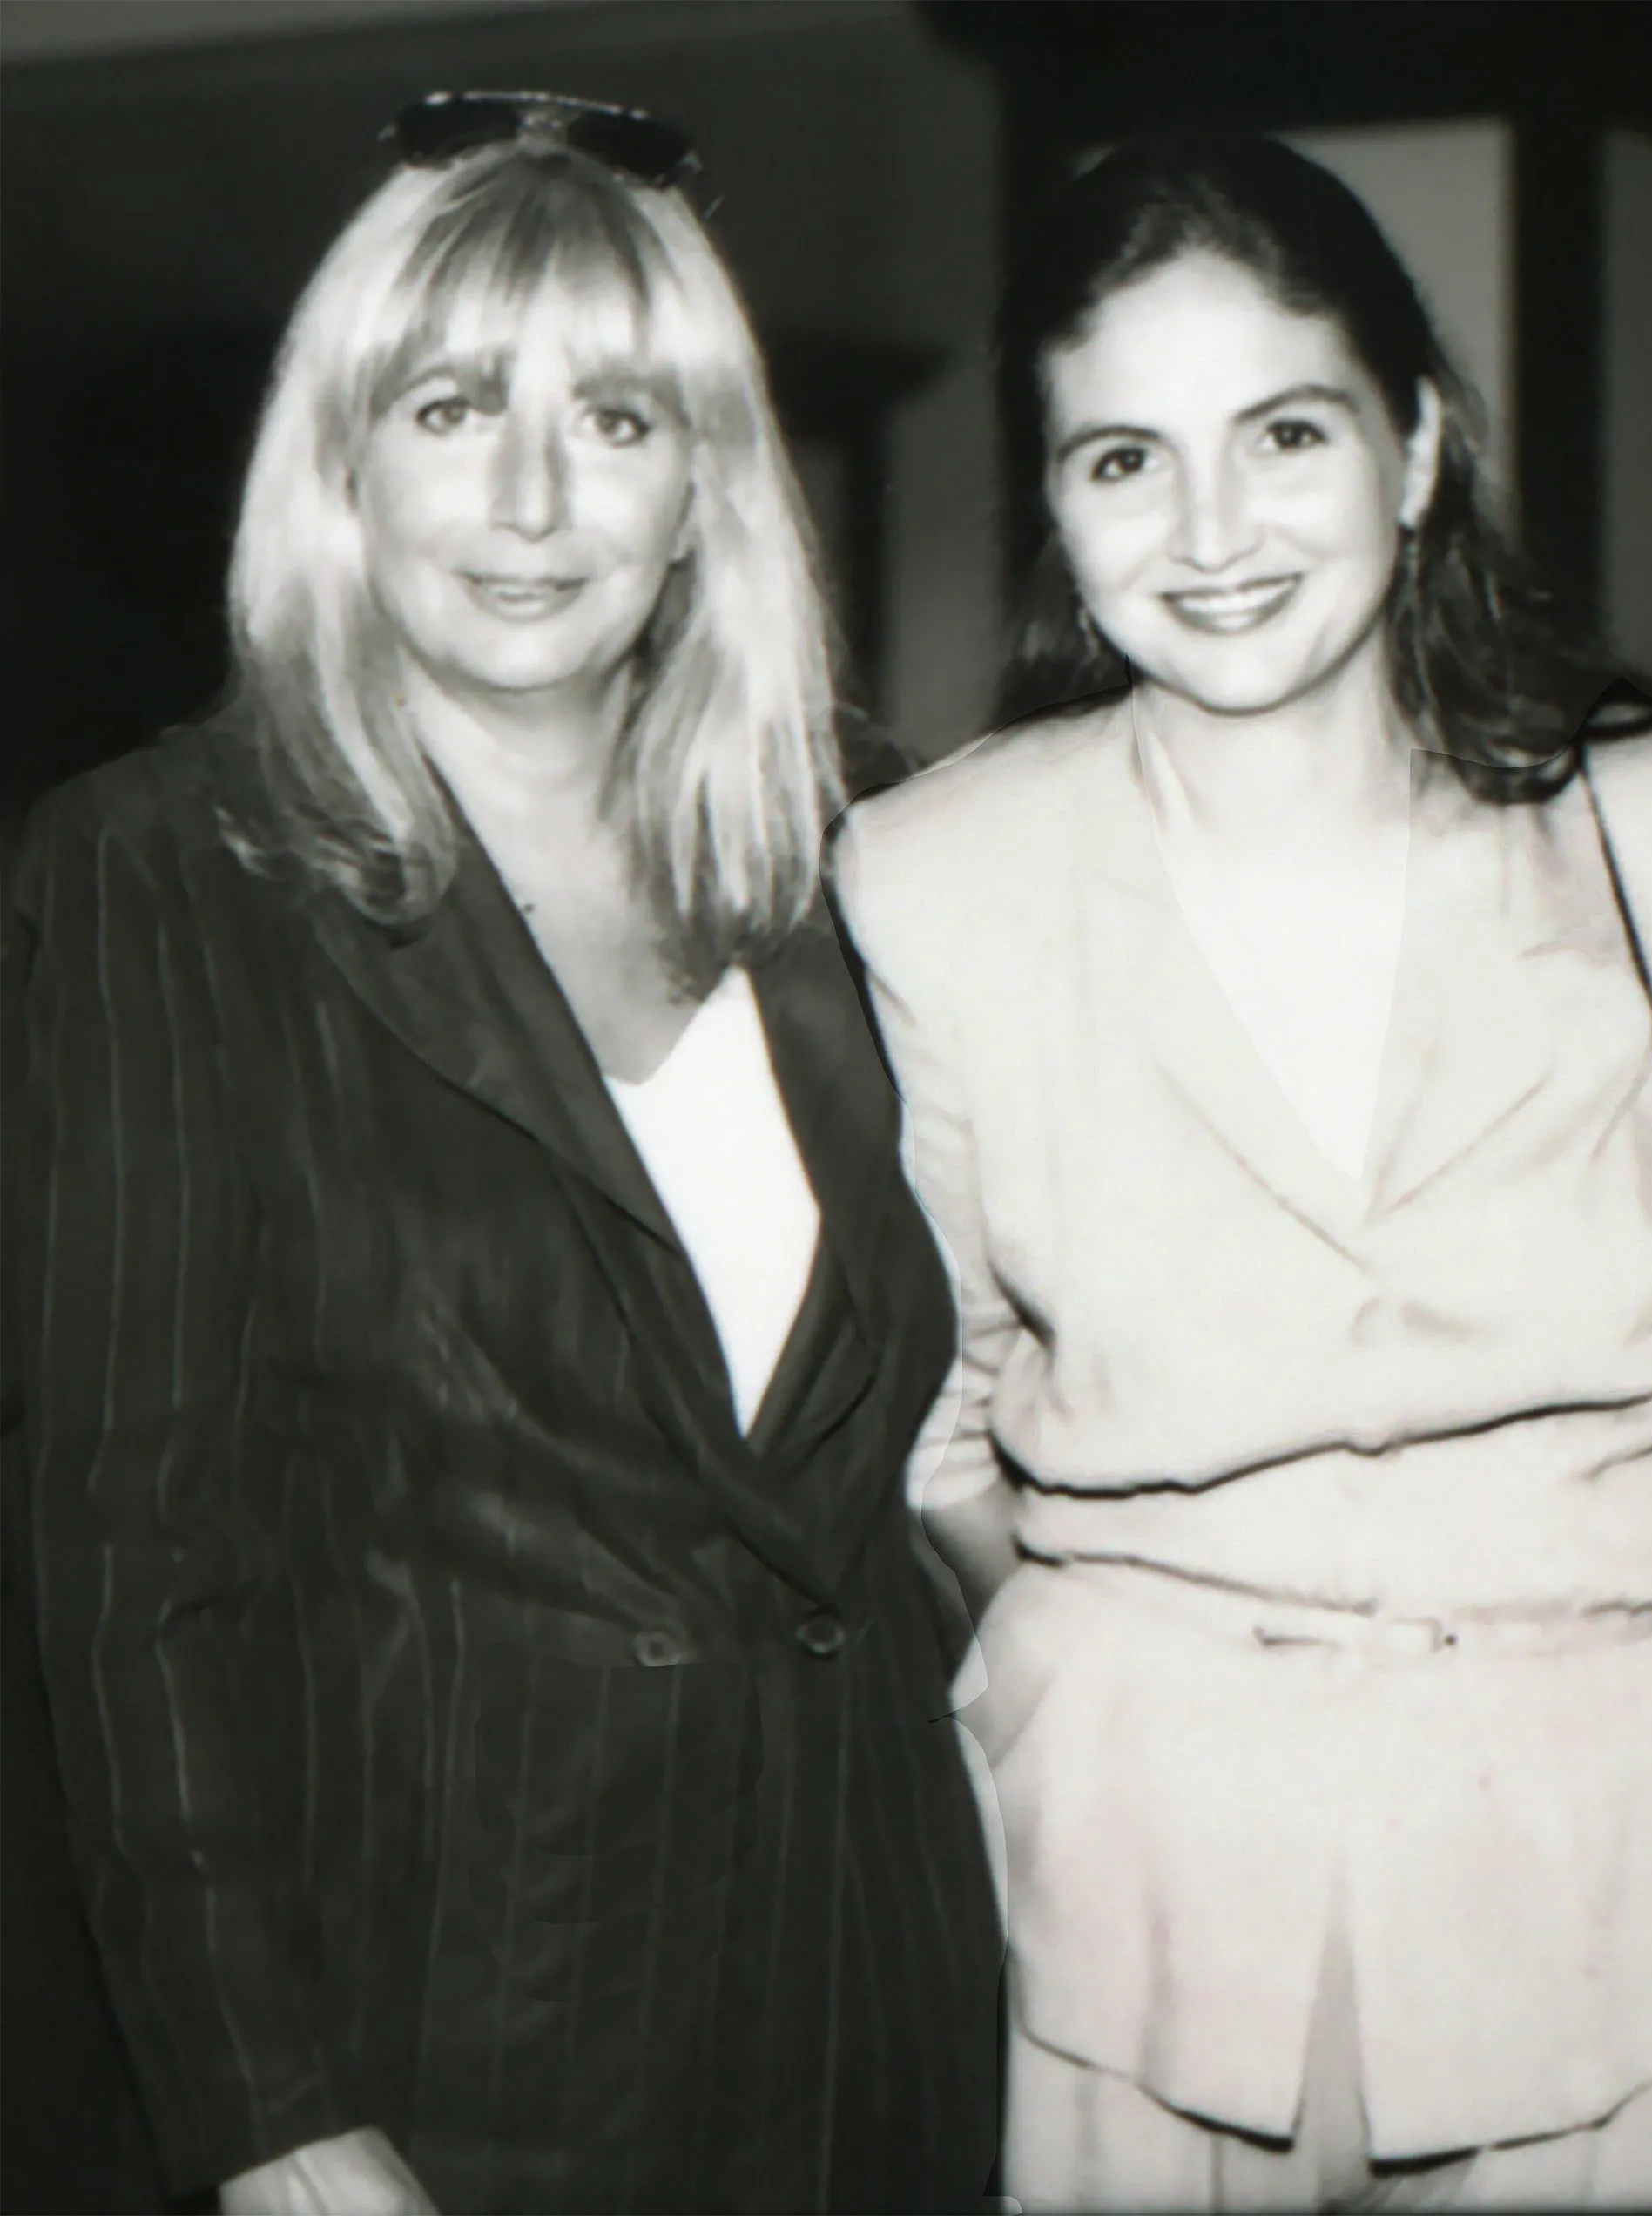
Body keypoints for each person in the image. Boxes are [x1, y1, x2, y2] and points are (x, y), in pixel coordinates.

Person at [833, 133, 1652, 2212]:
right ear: (1057, 508)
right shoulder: (939, 880)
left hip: (1584, 1862)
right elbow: (940, 1395)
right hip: (1126, 1871)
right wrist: (1133, 1664)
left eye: (1285, 434)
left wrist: (1559, 1636)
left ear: (1416, 452)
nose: (1211, 531)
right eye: (1123, 459)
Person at [5, 93, 1001, 2216]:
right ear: (341, 463)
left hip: (884, 1995)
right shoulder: (158, 874)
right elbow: (129, 1571)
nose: (533, 499)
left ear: (704, 486)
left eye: (616, 421)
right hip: (448, 2026)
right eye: (453, 408)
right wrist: (266, 2110)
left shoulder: (868, 845)